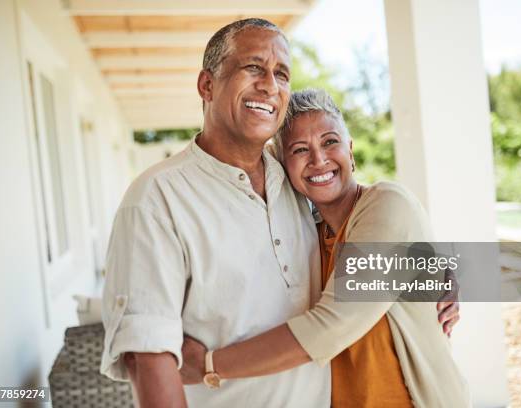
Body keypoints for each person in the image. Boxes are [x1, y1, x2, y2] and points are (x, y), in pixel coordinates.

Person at [100, 18, 459, 407]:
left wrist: (437, 271)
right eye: (253, 67)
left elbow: (358, 248)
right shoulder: (156, 199)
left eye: (281, 73)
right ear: (207, 85)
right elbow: (147, 354)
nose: (269, 85)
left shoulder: (300, 187)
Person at [180, 89, 470, 408]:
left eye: (330, 142)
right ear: (283, 168)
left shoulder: (389, 204)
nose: (318, 160)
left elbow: (330, 326)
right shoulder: (305, 233)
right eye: (300, 150)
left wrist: (209, 365)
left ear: (351, 150)